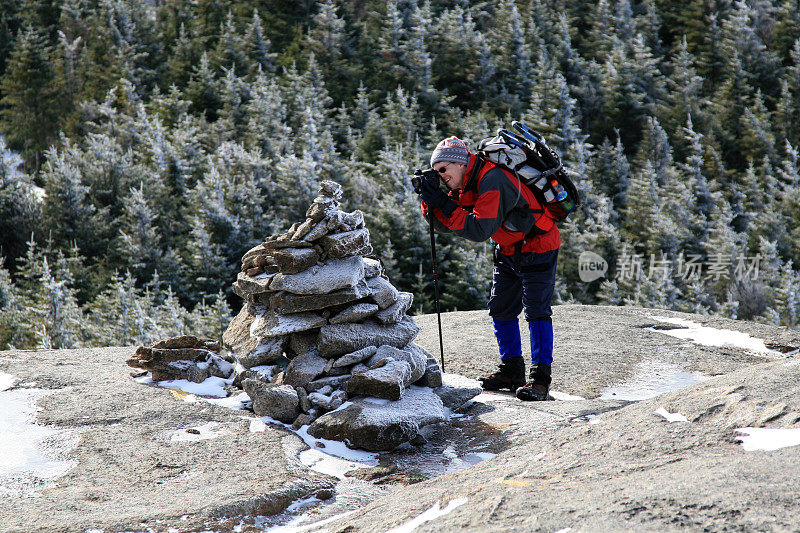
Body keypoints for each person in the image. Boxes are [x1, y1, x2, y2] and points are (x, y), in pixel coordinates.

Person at [417, 136, 560, 401]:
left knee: (537, 310)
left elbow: (479, 229)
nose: (441, 176)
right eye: (436, 172)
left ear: (459, 163)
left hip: (539, 245)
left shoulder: (492, 179)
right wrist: (431, 201)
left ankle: (540, 380)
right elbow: (446, 222)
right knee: (501, 308)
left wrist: (443, 202)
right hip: (508, 248)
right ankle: (512, 371)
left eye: (442, 169)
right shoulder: (466, 181)